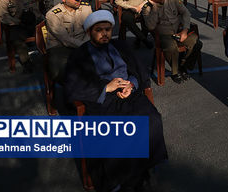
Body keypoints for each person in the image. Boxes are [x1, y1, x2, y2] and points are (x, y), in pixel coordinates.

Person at [63, 10, 168, 192]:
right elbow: (73, 86)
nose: (104, 34)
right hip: (102, 99)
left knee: (152, 120)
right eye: (99, 30)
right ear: (89, 32)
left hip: (128, 94)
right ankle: (121, 180)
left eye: (108, 29)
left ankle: (143, 168)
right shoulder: (79, 55)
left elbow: (138, 70)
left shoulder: (121, 46)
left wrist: (132, 85)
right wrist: (106, 88)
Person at [142, 0, 202, 84]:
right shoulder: (147, 7)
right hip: (163, 35)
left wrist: (185, 30)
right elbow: (150, 26)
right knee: (171, 46)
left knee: (196, 43)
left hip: (178, 32)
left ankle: (183, 65)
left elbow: (186, 13)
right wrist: (154, 7)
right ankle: (175, 72)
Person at [0, 0, 54, 73]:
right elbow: (3, 16)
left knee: (54, 31)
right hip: (18, 23)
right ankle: (26, 62)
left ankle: (51, 58)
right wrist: (16, 21)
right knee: (15, 38)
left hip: (36, 21)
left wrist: (48, 12)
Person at [45, 0, 91, 83]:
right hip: (60, 48)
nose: (78, 0)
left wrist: (88, 44)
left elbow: (90, 29)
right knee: (63, 75)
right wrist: (86, 46)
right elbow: (66, 40)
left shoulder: (86, 8)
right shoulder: (53, 15)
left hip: (82, 43)